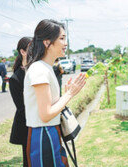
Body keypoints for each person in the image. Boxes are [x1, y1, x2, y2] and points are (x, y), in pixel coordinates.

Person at [24, 19, 86, 167]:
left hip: (50, 131)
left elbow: (50, 107)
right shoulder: (39, 69)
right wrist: (70, 94)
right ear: (47, 42)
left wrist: (66, 94)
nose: (66, 44)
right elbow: (45, 114)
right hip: (43, 134)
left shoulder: (46, 68)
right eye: (62, 38)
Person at [9, 36, 32, 167]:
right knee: (29, 161)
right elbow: (22, 108)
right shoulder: (15, 79)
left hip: (41, 123)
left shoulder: (37, 70)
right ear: (23, 52)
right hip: (26, 127)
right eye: (31, 48)